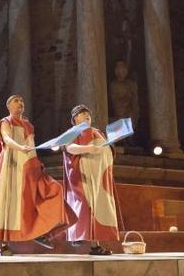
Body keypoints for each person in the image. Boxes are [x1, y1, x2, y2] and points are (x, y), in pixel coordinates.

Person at [0, 95, 73, 256]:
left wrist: (35, 161)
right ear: (8, 106)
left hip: (27, 162)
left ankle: (41, 232)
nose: (20, 104)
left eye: (22, 102)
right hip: (12, 162)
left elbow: (31, 145)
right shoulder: (6, 121)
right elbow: (7, 139)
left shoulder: (28, 125)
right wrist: (20, 147)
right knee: (9, 199)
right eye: (16, 102)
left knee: (52, 189)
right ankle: (4, 243)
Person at [62, 104, 118, 255]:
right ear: (75, 119)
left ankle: (95, 246)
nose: (87, 115)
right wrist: (87, 149)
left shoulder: (97, 131)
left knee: (97, 209)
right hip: (83, 175)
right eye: (82, 113)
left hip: (99, 176)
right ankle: (78, 234)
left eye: (88, 114)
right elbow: (69, 147)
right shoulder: (74, 131)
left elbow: (106, 149)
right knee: (85, 204)